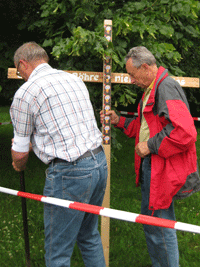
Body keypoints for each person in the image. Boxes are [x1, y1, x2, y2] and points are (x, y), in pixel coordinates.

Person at [100, 46, 200, 267]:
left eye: (133, 75)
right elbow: (147, 127)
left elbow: (185, 132)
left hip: (161, 169)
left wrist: (151, 146)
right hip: (156, 166)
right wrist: (120, 121)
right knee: (153, 223)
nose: (131, 80)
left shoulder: (166, 88)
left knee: (159, 226)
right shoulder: (152, 88)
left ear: (145, 67)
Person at [10, 42, 107, 267]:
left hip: (69, 173)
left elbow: (20, 152)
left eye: (18, 70)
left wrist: (19, 162)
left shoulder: (26, 92)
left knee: (58, 251)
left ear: (23, 64)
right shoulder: (72, 79)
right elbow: (61, 129)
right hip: (99, 163)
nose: (20, 75)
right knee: (88, 235)